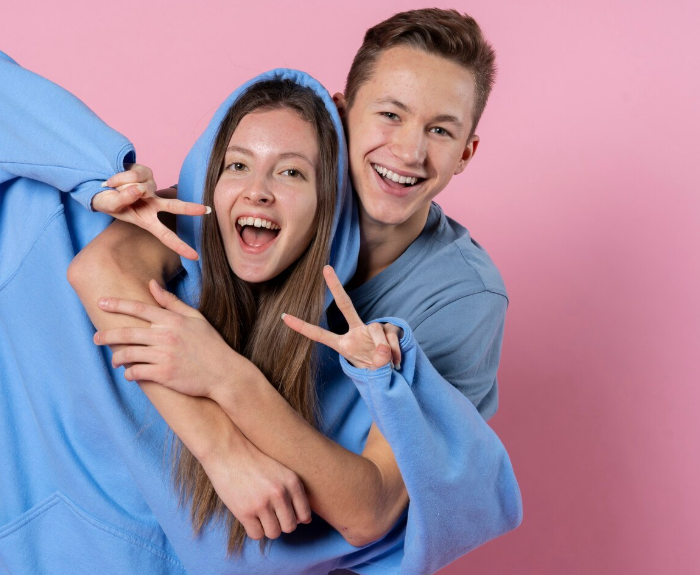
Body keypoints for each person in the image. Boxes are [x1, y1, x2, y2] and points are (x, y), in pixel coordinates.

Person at [73, 8, 520, 573]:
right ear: (341, 112)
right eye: (389, 115)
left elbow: (372, 508)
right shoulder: (276, 185)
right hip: (141, 521)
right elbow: (104, 267)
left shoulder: (463, 298)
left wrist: (225, 377)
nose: (409, 151)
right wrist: (221, 449)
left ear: (466, 153)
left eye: (440, 130)